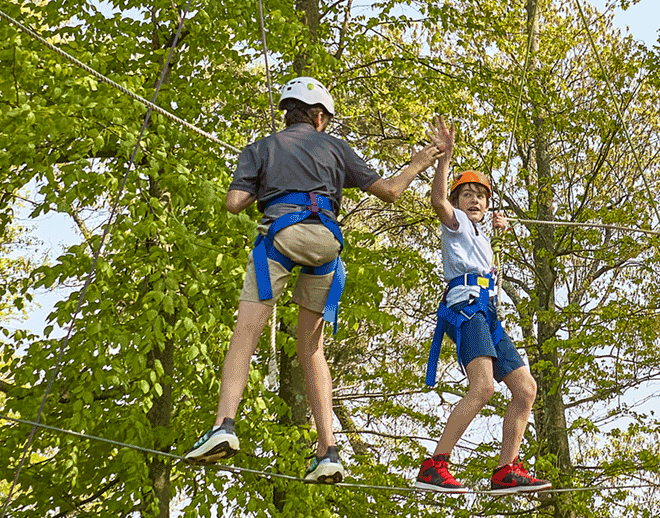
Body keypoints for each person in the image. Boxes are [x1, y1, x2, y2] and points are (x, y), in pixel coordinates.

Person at [184, 77, 442, 484]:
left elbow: (234, 204)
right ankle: (328, 451)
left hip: (281, 239)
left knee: (246, 332)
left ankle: (224, 426)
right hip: (327, 245)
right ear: (320, 116)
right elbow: (391, 192)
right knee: (313, 348)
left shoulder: (262, 148)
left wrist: (262, 184)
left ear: (290, 112)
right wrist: (422, 161)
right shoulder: (335, 147)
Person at [417, 116, 552, 494]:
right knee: (483, 388)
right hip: (467, 310)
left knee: (525, 389)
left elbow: (486, 229)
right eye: (467, 195)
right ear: (459, 203)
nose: (473, 200)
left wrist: (499, 224)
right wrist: (445, 160)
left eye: (480, 195)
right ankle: (435, 464)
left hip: (489, 315)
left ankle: (505, 469)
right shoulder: (456, 223)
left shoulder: (480, 229)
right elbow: (438, 201)